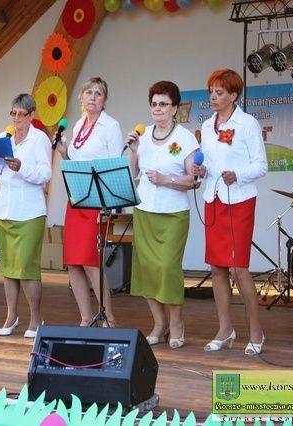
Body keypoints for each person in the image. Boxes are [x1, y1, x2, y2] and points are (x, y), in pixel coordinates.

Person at [192, 69, 268, 355]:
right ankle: (225, 330)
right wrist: (201, 170)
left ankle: (256, 332)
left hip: (239, 200)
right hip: (213, 199)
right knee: (217, 268)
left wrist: (238, 175)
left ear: (234, 95)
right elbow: (210, 163)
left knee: (238, 268)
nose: (213, 96)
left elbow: (261, 165)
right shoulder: (207, 125)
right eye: (211, 91)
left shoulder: (247, 124)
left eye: (219, 92)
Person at [126, 81, 199, 349]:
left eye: (164, 104)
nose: (158, 108)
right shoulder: (143, 136)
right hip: (145, 210)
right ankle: (159, 323)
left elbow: (192, 180)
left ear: (175, 108)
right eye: (154, 104)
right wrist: (134, 151)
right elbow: (133, 174)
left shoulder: (185, 137)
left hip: (173, 213)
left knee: (168, 268)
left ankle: (177, 323)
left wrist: (166, 179)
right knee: (147, 269)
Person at [55, 77, 123, 327]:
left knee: (91, 261)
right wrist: (64, 153)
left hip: (97, 200)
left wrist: (108, 205)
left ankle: (109, 317)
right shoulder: (78, 125)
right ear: (81, 97)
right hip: (76, 198)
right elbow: (75, 163)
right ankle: (85, 317)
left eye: (99, 93)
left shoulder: (110, 126)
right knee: (74, 262)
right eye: (89, 92)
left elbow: (115, 165)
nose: (93, 97)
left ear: (105, 100)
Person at [0, 93, 52, 339]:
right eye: (13, 113)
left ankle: (36, 318)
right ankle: (11, 315)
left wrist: (21, 167)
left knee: (26, 267)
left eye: (21, 114)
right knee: (8, 268)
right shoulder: (4, 137)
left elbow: (45, 174)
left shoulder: (40, 139)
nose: (16, 118)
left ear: (31, 115)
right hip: (5, 209)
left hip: (29, 212)